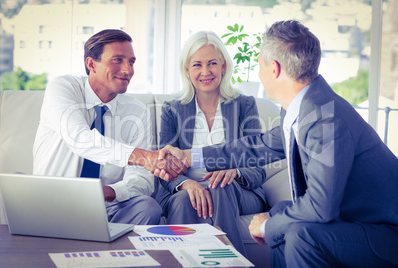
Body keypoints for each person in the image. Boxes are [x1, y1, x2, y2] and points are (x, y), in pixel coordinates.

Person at [156, 20, 398, 267]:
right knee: (281, 213)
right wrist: (189, 156)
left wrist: (268, 225)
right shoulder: (305, 107)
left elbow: (320, 207)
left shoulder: (323, 118)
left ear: (274, 68)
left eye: (260, 63)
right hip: (357, 221)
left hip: (383, 232)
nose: (258, 73)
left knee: (298, 233)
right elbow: (257, 146)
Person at [33, 29, 186, 225]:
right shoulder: (63, 88)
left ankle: (109, 251)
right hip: (52, 202)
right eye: (117, 60)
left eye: (131, 62)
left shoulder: (137, 111)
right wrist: (145, 157)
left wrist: (109, 192)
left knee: (148, 207)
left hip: (104, 207)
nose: (128, 70)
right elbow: (79, 138)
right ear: (91, 64)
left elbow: (142, 180)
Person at [154, 31, 268, 256]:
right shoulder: (172, 109)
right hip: (186, 189)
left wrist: (235, 171)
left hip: (239, 190)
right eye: (197, 64)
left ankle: (231, 262)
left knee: (220, 186)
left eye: (212, 63)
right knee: (183, 200)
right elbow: (164, 166)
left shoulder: (244, 105)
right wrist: (187, 184)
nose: (205, 72)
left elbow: (258, 166)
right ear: (187, 70)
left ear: (223, 66)